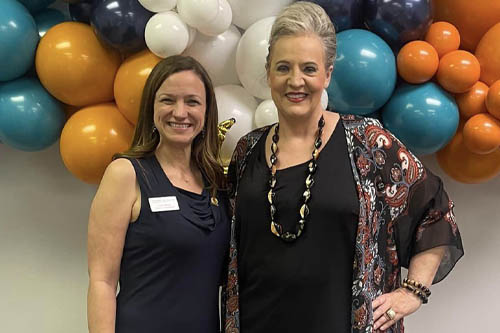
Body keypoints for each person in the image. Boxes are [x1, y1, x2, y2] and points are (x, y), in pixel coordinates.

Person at [222, 2, 463, 333]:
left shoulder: (367, 141)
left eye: (309, 68)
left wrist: (414, 291)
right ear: (268, 74)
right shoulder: (246, 150)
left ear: (327, 73)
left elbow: (434, 210)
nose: (296, 81)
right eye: (283, 68)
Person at [87, 55, 230, 333]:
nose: (180, 112)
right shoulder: (126, 174)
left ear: (206, 111)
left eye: (192, 101)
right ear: (151, 108)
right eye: (168, 100)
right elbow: (102, 281)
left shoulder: (217, 182)